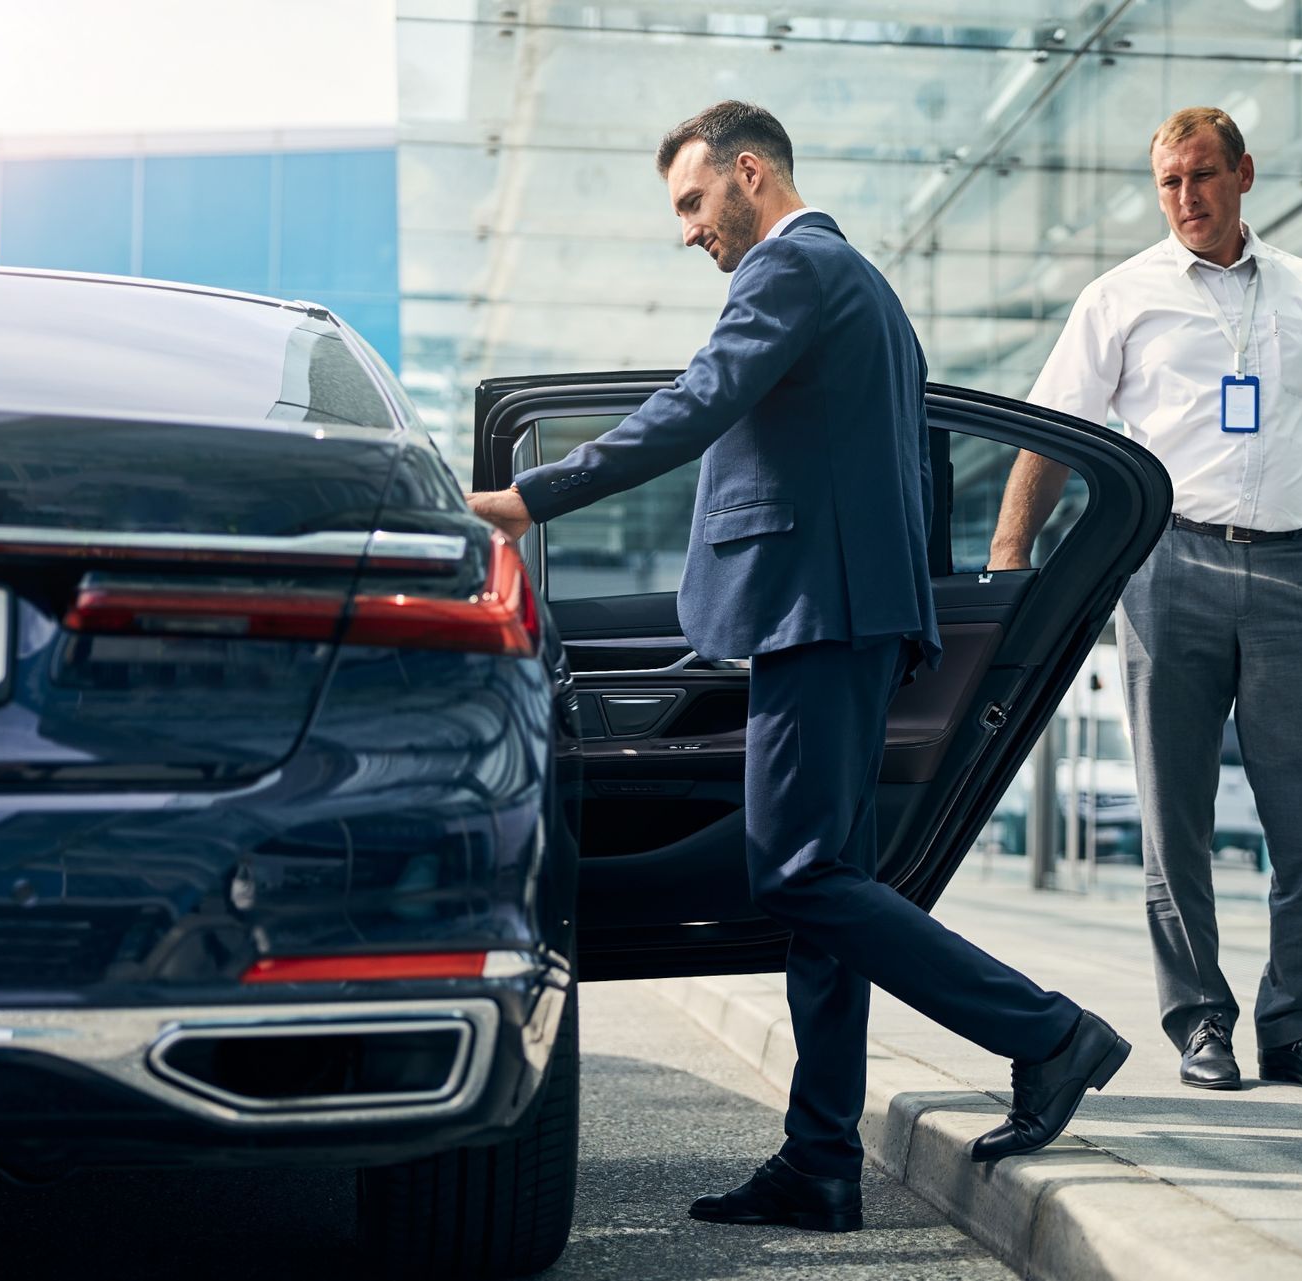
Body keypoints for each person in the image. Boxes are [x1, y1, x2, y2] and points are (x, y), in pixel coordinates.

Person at [465, 101, 1130, 1233]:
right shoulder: (865, 289)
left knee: (800, 879)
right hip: (840, 614)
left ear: (751, 173)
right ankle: (820, 1159)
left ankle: (1048, 1032)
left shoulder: (792, 270)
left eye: (692, 201)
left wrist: (531, 497)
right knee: (826, 900)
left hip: (816, 618)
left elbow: (695, 403)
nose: (688, 232)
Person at [987, 106, 1302, 1094]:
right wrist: (1009, 561)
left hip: (1299, 575)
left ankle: (1296, 1029)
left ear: (1244, 173)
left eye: (1202, 176)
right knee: (1176, 821)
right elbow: (1053, 432)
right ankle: (1200, 1022)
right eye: (1168, 182)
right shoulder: (1121, 297)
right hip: (1168, 570)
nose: (1186, 198)